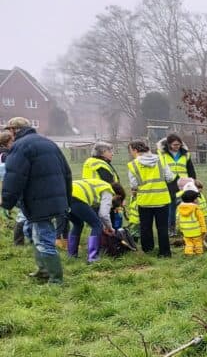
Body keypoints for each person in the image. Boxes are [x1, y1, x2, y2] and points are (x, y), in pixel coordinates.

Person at [1, 116, 72, 284]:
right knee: (37, 235)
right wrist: (66, 200)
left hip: (38, 201)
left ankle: (55, 279)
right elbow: (67, 172)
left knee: (44, 239)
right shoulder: (48, 143)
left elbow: (15, 177)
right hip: (55, 199)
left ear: (13, 130)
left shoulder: (20, 146)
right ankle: (43, 270)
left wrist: (6, 202)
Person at [126, 140, 174, 257]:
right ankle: (165, 252)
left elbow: (133, 185)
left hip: (144, 200)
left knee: (145, 227)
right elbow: (170, 177)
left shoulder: (133, 165)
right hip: (161, 199)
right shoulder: (161, 159)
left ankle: (148, 249)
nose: (131, 153)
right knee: (162, 227)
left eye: (131, 151)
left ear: (135, 150)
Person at [67, 178, 121, 263]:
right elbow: (103, 214)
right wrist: (109, 227)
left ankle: (71, 255)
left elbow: (93, 213)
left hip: (63, 196)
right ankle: (92, 258)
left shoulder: (98, 184)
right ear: (118, 195)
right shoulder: (108, 190)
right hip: (76, 197)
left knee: (78, 224)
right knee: (97, 225)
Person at [158, 133, 197, 233]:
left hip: (184, 183)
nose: (177, 147)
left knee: (186, 204)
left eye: (179, 144)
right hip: (170, 182)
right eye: (175, 145)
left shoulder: (186, 154)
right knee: (171, 206)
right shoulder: (163, 155)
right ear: (169, 144)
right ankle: (171, 228)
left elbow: (190, 169)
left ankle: (186, 227)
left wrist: (193, 181)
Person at [176, 182, 207, 256]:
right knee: (198, 242)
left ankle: (189, 253)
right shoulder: (196, 209)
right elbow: (201, 220)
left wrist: (180, 229)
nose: (197, 200)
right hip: (196, 231)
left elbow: (178, 220)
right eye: (196, 198)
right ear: (193, 200)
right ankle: (199, 253)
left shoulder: (180, 209)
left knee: (188, 243)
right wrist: (203, 229)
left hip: (186, 231)